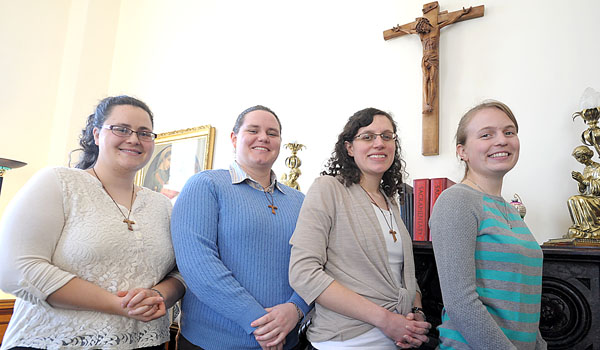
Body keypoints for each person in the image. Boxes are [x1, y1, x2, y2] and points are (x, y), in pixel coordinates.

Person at [0, 95, 186, 350]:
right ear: (97, 135)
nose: (133, 139)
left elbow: (182, 270)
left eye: (144, 133)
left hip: (145, 342)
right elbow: (15, 269)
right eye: (121, 129)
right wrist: (116, 304)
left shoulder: (162, 205)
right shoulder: (58, 182)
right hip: (57, 342)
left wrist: (160, 294)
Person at [289, 107, 431, 349]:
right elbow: (303, 273)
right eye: (368, 136)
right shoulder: (329, 189)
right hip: (346, 340)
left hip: (397, 340)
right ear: (349, 148)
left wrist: (416, 312)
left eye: (387, 136)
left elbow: (405, 275)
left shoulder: (391, 201)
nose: (379, 143)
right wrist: (386, 320)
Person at [171, 105, 310, 350]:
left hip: (287, 341)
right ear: (234, 138)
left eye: (272, 133)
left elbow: (315, 264)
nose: (263, 137)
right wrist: (262, 326)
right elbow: (199, 266)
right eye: (253, 130)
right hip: (214, 343)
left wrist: (296, 308)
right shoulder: (206, 185)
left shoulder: (300, 200)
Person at [429, 100, 547, 349]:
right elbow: (460, 303)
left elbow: (525, 302)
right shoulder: (457, 201)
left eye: (509, 132)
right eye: (486, 135)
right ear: (463, 151)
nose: (502, 140)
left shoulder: (510, 211)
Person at [567, 145, 600, 238]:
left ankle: (590, 227)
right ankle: (580, 226)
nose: (578, 160)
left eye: (578, 157)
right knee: (572, 200)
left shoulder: (598, 168)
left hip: (597, 199)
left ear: (584, 156)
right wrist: (580, 183)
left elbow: (598, 187)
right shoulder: (586, 169)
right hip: (589, 197)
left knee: (580, 200)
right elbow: (584, 191)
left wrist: (584, 180)